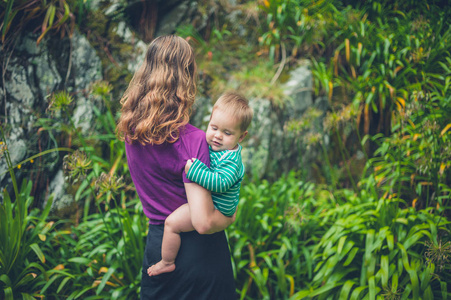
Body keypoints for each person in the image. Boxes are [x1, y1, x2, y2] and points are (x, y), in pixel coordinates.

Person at [116, 35, 236, 299]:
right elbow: (203, 221)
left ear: (145, 72)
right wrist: (229, 217)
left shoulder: (131, 132)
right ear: (187, 76)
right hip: (201, 255)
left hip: (159, 247)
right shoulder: (192, 140)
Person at [147, 92, 253, 277]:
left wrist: (194, 171)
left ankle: (167, 261)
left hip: (219, 209)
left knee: (172, 223)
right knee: (172, 221)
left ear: (241, 137)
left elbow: (220, 183)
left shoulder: (230, 159)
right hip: (215, 205)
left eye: (227, 133)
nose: (218, 136)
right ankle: (167, 261)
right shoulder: (218, 148)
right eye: (214, 128)